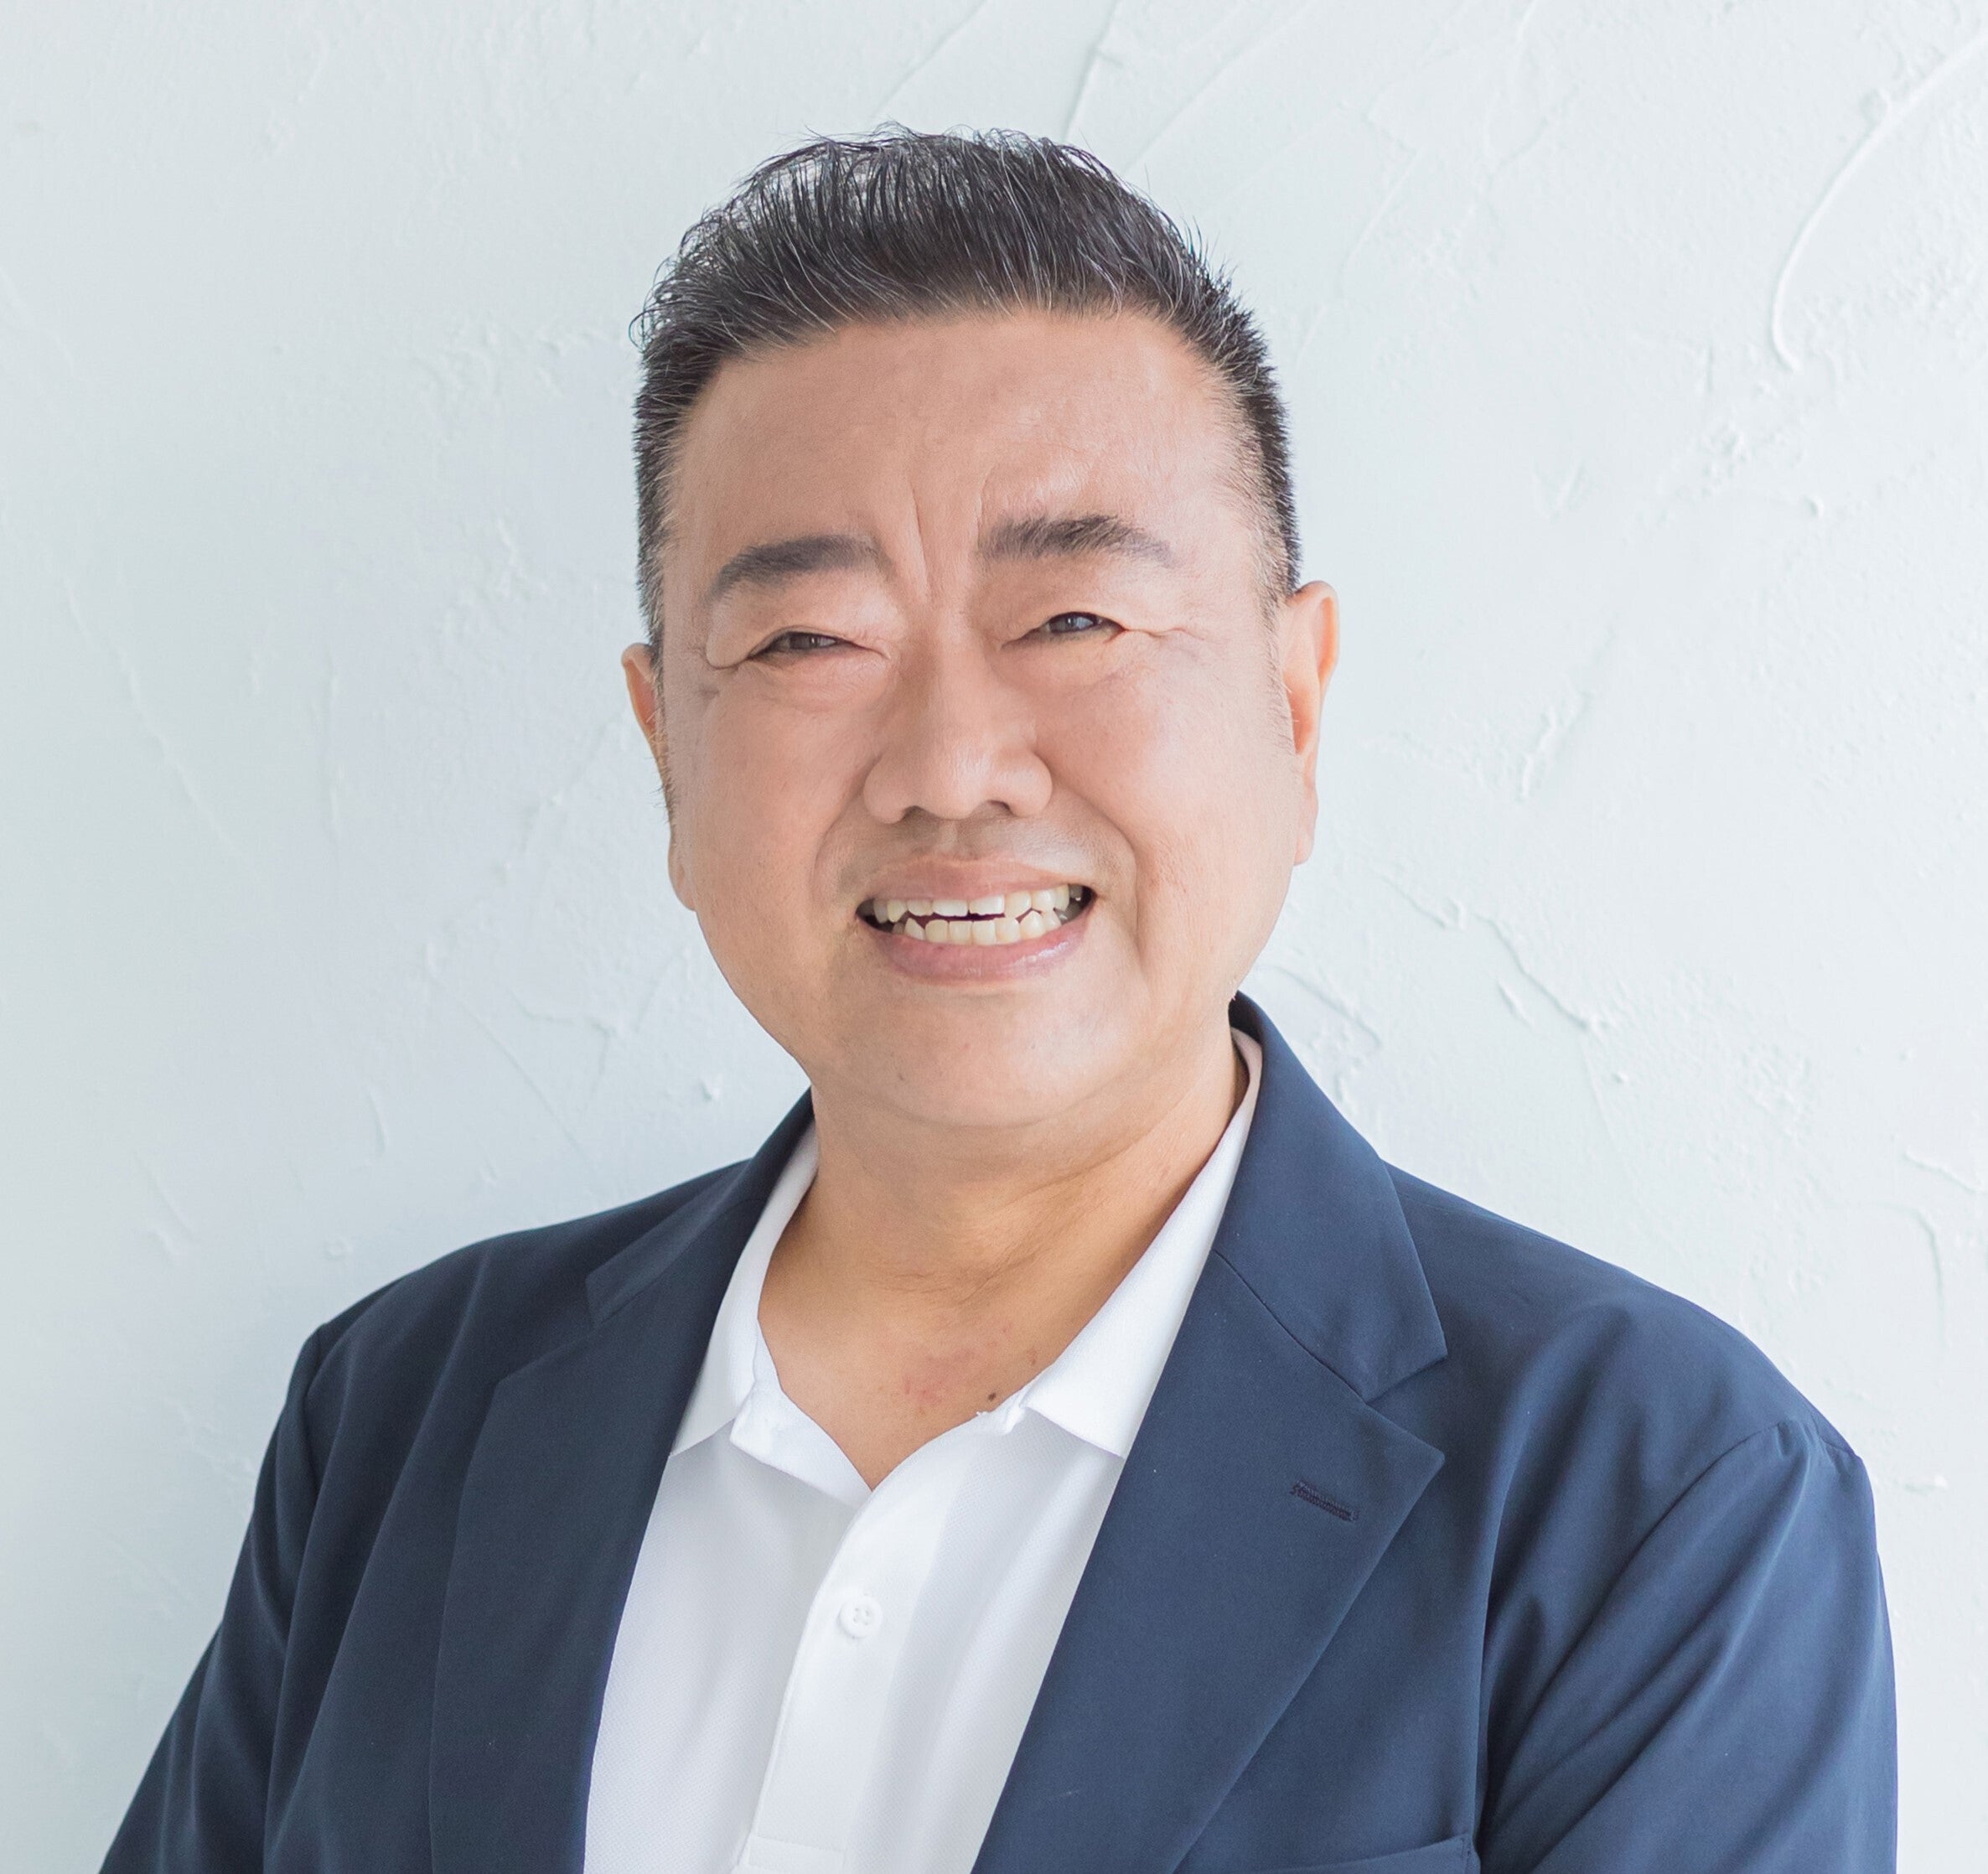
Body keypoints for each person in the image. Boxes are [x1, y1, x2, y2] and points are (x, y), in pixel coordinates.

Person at [102, 129, 1895, 1874]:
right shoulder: (407, 1406)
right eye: (809, 641)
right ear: (665, 747)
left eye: (1078, 621)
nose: (952, 767)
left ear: (1294, 702)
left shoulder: (1652, 1492)